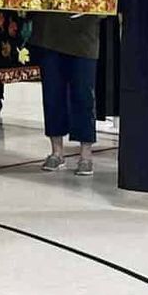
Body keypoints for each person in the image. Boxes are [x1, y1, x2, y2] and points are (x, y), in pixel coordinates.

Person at [33, 12, 100, 177]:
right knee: (52, 92)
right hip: (49, 29)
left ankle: (86, 153)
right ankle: (56, 152)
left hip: (84, 31)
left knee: (83, 94)